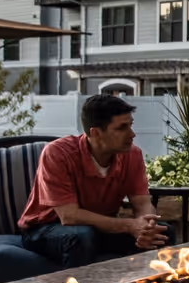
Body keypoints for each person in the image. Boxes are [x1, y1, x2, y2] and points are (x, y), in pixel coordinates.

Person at [19, 93, 169, 267]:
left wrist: (146, 226)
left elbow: (142, 203)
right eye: (122, 128)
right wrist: (129, 226)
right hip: (45, 228)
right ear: (95, 133)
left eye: (130, 125)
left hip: (98, 227)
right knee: (81, 236)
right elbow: (69, 216)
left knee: (163, 234)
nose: (132, 134)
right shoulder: (57, 153)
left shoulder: (132, 155)